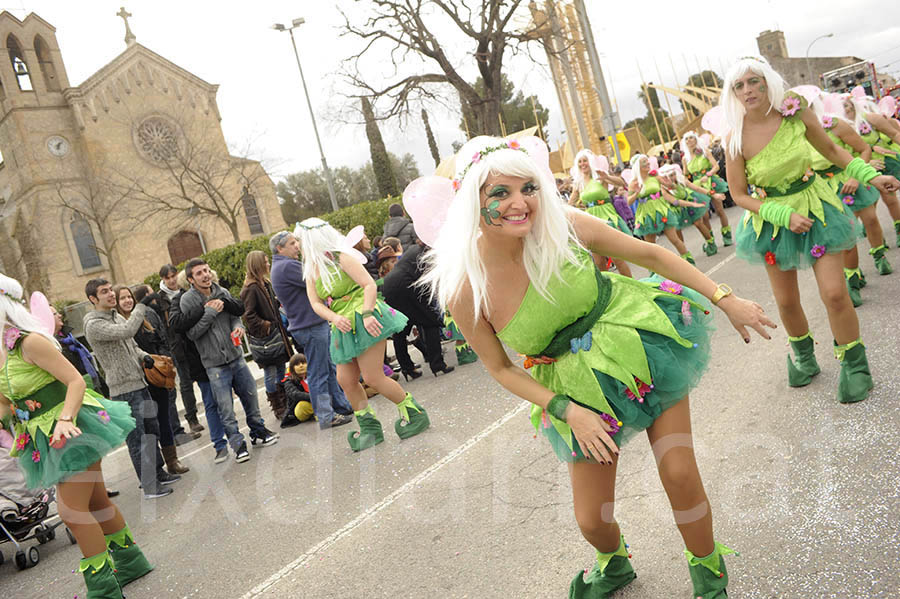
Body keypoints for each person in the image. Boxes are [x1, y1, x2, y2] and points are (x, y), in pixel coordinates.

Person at [419, 135, 776, 598]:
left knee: (679, 473)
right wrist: (568, 410)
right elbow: (502, 369)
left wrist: (725, 298)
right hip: (572, 389)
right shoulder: (465, 288)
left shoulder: (562, 224)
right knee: (591, 519)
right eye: (499, 193)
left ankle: (709, 577)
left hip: (637, 344)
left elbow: (648, 254)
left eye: (528, 187)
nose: (519, 203)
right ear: (473, 203)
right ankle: (614, 563)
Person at [722, 56, 898, 402]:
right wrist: (780, 214)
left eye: (753, 81)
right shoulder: (735, 137)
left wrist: (871, 176)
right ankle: (804, 359)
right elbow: (738, 195)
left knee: (834, 293)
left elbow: (832, 150)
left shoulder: (795, 112)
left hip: (817, 208)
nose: (747, 90)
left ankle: (855, 366)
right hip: (772, 222)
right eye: (738, 85)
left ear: (768, 81)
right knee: (786, 302)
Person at [1, 274, 155, 599]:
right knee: (96, 501)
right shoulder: (5, 352)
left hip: (71, 428)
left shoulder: (30, 342)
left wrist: (65, 419)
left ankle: (103, 589)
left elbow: (75, 381)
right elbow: (6, 403)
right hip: (43, 435)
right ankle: (130, 564)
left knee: (71, 512)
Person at [296, 217, 430, 452]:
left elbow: (369, 284)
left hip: (364, 317)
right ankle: (370, 429)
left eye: (300, 240)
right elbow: (315, 303)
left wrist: (367, 314)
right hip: (342, 324)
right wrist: (334, 318)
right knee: (345, 380)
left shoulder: (342, 257)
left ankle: (414, 414)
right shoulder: (311, 268)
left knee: (372, 377)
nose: (298, 245)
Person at [83, 279, 179, 499]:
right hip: (123, 391)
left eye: (110, 290)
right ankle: (150, 485)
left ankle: (158, 473)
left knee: (151, 431)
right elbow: (126, 331)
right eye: (104, 292)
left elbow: (132, 345)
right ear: (92, 299)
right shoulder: (93, 324)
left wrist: (145, 357)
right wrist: (142, 304)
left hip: (141, 384)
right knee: (137, 439)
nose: (111, 295)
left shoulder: (114, 316)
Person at [181, 259, 279, 463]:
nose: (205, 275)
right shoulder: (187, 300)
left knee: (251, 397)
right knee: (226, 409)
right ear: (191, 279)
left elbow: (235, 315)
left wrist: (238, 327)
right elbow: (192, 334)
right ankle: (238, 444)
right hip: (214, 364)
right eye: (199, 273)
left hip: (236, 357)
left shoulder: (221, 291)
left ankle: (258, 432)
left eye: (207, 270)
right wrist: (209, 312)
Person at [809, 95, 890, 307]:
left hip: (848, 177)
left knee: (870, 219)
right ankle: (853, 279)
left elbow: (864, 149)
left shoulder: (834, 125)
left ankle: (879, 257)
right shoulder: (793, 134)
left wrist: (855, 177)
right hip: (823, 186)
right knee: (844, 232)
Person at [269, 231, 353, 429]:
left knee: (329, 368)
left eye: (296, 242)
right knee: (318, 372)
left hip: (310, 324)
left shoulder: (281, 266)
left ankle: (341, 407)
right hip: (310, 325)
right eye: (292, 243)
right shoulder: (287, 266)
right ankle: (326, 416)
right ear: (280, 249)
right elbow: (319, 279)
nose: (297, 246)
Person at [115, 285, 190, 475]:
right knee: (149, 426)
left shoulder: (144, 319)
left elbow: (161, 340)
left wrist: (163, 361)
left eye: (129, 297)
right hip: (139, 383)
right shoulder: (121, 325)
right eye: (122, 298)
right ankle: (156, 468)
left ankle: (172, 461)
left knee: (164, 421)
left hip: (157, 378)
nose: (127, 301)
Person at [167, 270, 229, 463]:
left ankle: (239, 434)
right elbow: (176, 323)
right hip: (197, 358)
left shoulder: (214, 292)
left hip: (218, 354)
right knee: (210, 401)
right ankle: (219, 444)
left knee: (228, 399)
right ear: (190, 281)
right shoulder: (180, 301)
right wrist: (204, 308)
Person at [383, 237, 455, 378]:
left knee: (401, 330)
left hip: (390, 285)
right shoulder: (429, 253)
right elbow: (429, 281)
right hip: (407, 285)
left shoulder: (414, 249)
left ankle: (407, 368)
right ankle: (437, 365)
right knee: (430, 323)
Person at [842, 94, 900, 247]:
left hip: (881, 163)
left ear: (853, 106)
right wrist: (866, 162)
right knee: (870, 211)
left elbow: (893, 134)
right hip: (860, 168)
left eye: (846, 106)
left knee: (890, 199)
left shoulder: (870, 118)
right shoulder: (839, 126)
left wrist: (879, 150)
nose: (844, 109)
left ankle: (899, 229)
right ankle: (879, 243)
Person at [240, 251, 292, 422]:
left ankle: (285, 401)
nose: (268, 264)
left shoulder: (265, 283)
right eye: (265, 262)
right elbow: (249, 315)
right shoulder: (251, 288)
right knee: (270, 373)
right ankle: (278, 406)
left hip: (277, 336)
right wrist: (267, 325)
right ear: (257, 264)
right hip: (267, 340)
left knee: (280, 369)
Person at [628, 154, 706, 264]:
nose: (648, 164)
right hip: (647, 214)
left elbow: (671, 187)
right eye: (644, 162)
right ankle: (655, 271)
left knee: (674, 239)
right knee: (651, 245)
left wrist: (672, 185)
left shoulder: (654, 177)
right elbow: (629, 201)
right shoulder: (634, 183)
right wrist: (636, 193)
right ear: (637, 166)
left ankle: (689, 262)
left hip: (662, 210)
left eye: (647, 161)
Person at [569, 149, 633, 276]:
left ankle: (633, 286)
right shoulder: (578, 183)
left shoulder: (599, 177)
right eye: (580, 162)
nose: (583, 164)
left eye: (585, 161)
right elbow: (571, 202)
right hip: (590, 220)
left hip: (606, 216)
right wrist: (576, 206)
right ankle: (609, 291)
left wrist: (607, 177)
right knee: (599, 262)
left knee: (617, 258)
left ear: (590, 162)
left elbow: (621, 183)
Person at [158, 264, 204, 435]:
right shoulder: (160, 299)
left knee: (205, 377)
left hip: (194, 340)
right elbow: (162, 326)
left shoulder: (186, 292)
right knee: (185, 383)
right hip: (177, 346)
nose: (171, 280)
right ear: (163, 279)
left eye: (173, 276)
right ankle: (192, 418)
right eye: (167, 277)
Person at [682, 131, 732, 246]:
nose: (689, 140)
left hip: (710, 181)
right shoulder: (685, 158)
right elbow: (686, 174)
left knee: (719, 210)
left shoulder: (705, 151)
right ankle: (711, 240)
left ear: (695, 140)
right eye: (686, 139)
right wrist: (684, 179)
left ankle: (726, 235)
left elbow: (716, 166)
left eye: (691, 138)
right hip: (697, 185)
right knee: (704, 216)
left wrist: (708, 175)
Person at [52, 305, 108, 398]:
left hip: (93, 385)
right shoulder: (52, 346)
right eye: (55, 314)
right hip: (79, 393)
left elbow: (88, 363)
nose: (60, 315)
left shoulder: (69, 338)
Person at [281, 353, 315, 428]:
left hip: (315, 402)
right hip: (300, 409)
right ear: (292, 368)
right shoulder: (289, 381)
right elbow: (295, 395)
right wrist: (314, 397)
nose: (301, 366)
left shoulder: (313, 375)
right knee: (302, 405)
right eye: (297, 364)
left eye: (303, 363)